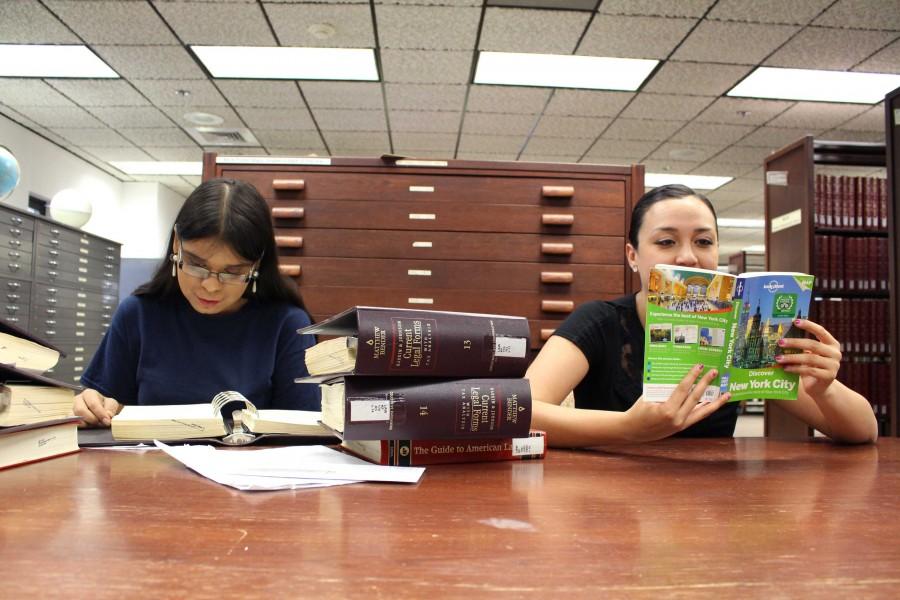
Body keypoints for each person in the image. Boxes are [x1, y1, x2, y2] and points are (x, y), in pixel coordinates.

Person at [527, 184, 878, 446]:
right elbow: (522, 413)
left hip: (713, 508)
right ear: (632, 255)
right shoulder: (599, 321)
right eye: (666, 242)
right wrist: (627, 428)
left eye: (704, 242)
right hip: (608, 505)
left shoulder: (743, 327)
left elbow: (864, 432)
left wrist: (825, 390)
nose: (688, 258)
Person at [75, 178, 319, 426]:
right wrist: (94, 406)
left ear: (256, 264)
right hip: (150, 463)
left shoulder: (287, 326)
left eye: (233, 272)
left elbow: (304, 430)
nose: (211, 286)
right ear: (176, 245)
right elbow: (108, 406)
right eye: (197, 265)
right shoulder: (137, 315)